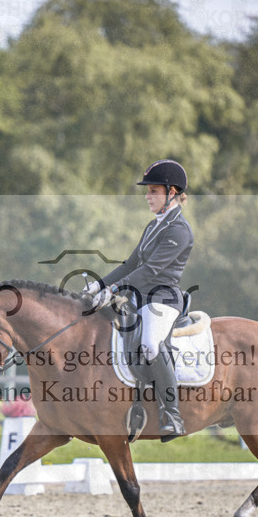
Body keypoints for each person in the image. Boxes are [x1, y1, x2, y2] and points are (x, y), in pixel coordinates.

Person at [84, 159, 194, 441]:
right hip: (138, 296)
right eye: (148, 191)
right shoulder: (152, 227)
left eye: (153, 190)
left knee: (149, 343)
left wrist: (115, 288)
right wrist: (100, 284)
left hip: (162, 299)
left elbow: (151, 270)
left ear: (172, 192)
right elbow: (130, 264)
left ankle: (172, 414)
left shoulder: (179, 230)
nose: (147, 196)